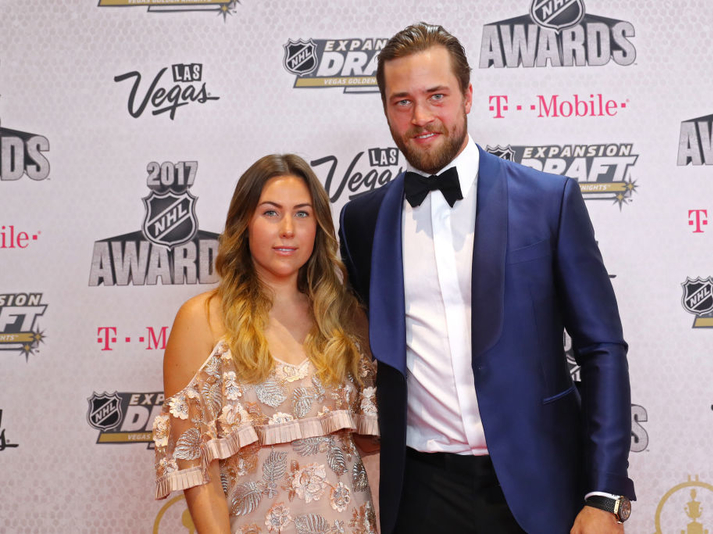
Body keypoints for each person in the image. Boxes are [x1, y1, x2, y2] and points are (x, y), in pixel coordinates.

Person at [338, 23, 635, 534]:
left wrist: (605, 494)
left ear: (468, 96)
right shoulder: (361, 221)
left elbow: (601, 349)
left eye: (437, 96)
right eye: (401, 102)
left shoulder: (549, 201)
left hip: (541, 485)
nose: (421, 117)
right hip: (420, 494)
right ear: (386, 109)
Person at [154, 154, 379, 534]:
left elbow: (372, 454)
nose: (288, 229)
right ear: (244, 223)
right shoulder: (202, 320)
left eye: (303, 214)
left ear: (319, 226)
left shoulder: (347, 318)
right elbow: (196, 472)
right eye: (271, 213)